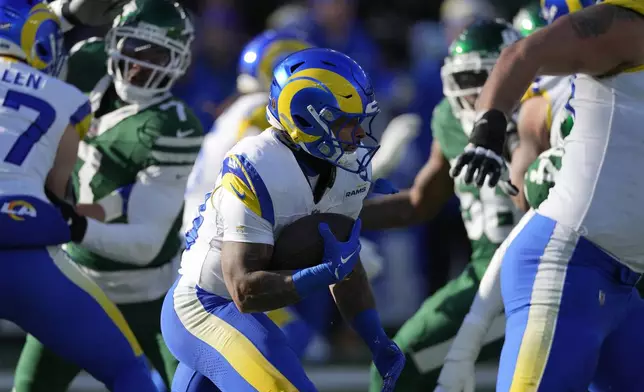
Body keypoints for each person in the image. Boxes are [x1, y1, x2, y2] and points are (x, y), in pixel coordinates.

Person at [161, 47, 405, 392]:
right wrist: (320, 274)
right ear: (306, 119)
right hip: (206, 305)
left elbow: (345, 259)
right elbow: (243, 290)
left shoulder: (349, 171)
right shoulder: (255, 163)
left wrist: (376, 338)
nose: (360, 135)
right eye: (346, 122)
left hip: (248, 310)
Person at [449, 1, 644, 390]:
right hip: (568, 263)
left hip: (623, 285)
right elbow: (525, 53)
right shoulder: (627, 28)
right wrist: (489, 127)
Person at [13, 1, 202, 391]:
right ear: (114, 41)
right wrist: (64, 14)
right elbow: (19, 64)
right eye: (133, 49)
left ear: (179, 60)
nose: (139, 66)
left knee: (193, 388)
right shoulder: (86, 62)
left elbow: (145, 244)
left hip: (151, 292)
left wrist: (68, 222)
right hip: (76, 275)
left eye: (156, 55)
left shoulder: (174, 125)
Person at [365, 19, 525, 392]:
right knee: (397, 366)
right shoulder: (450, 120)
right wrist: (339, 215)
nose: (476, 94)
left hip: (543, 273)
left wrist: (515, 144)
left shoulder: (537, 114)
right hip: (484, 278)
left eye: (486, 80)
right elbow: (419, 204)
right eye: (466, 81)